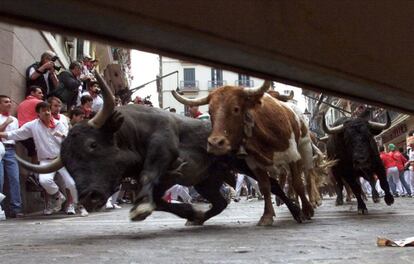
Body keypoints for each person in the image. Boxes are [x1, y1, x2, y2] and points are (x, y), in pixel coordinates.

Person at [0, 102, 82, 215]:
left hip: (61, 159)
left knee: (71, 183)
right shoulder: (32, 125)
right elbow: (17, 134)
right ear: (38, 113)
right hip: (46, 160)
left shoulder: (59, 124)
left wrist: (62, 136)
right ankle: (58, 196)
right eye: (44, 110)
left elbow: (70, 141)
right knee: (44, 180)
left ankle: (75, 205)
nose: (47, 112)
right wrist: (2, 134)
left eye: (48, 109)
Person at [0, 95, 23, 218]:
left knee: (14, 179)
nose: (9, 104)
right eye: (5, 102)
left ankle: (16, 209)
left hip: (10, 150)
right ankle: (1, 209)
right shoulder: (8, 120)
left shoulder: (14, 119)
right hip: (0, 148)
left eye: (10, 102)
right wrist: (5, 123)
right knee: (0, 180)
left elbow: (16, 135)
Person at [17, 86, 43, 164]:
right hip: (30, 132)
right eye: (40, 93)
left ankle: (33, 173)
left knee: (35, 152)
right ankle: (33, 174)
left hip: (20, 132)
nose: (42, 95)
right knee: (38, 152)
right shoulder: (39, 102)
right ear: (32, 93)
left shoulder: (21, 103)